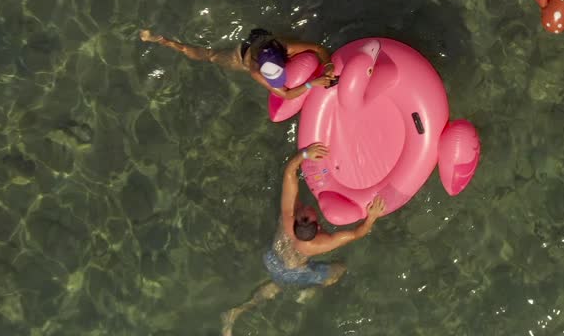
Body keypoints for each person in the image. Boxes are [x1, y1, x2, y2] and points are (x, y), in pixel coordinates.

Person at [221, 143, 387, 335]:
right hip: (292, 271)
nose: (307, 208)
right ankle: (305, 293)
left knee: (275, 285)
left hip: (272, 259)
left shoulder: (288, 214)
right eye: (310, 212)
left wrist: (306, 154)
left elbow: (290, 172)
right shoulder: (317, 245)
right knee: (339, 269)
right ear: (317, 228)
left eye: (304, 211)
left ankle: (237, 311)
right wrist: (372, 216)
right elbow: (356, 234)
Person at [138, 27, 337, 98]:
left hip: (265, 42)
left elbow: (319, 48)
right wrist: (312, 83)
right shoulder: (254, 70)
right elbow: (285, 95)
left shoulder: (286, 47)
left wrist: (328, 65)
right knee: (210, 55)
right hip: (240, 56)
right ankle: (166, 41)